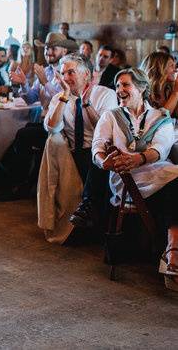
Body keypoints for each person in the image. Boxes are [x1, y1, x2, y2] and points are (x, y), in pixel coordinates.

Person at [91, 68, 178, 285]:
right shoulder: (110, 116)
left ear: (141, 87)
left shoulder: (160, 117)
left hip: (157, 174)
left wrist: (138, 158)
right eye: (117, 85)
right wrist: (104, 161)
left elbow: (161, 149)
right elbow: (97, 146)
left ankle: (172, 250)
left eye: (125, 85)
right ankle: (172, 251)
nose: (119, 89)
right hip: (127, 180)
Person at [41, 54, 117, 238]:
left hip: (98, 149)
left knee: (98, 155)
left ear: (87, 75)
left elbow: (107, 130)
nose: (66, 78)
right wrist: (65, 97)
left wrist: (86, 104)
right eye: (62, 73)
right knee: (53, 141)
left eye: (71, 72)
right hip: (70, 154)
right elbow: (52, 127)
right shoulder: (59, 98)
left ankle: (87, 207)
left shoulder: (105, 94)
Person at [0, 32, 75, 201]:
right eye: (47, 49)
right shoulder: (45, 70)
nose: (49, 53)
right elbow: (30, 98)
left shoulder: (68, 72)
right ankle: (21, 182)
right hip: (45, 123)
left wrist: (45, 82)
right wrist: (22, 83)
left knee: (23, 135)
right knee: (22, 132)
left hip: (63, 127)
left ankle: (21, 185)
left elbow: (67, 99)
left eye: (53, 49)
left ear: (64, 51)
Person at [140, 51, 178, 117]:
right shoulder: (142, 93)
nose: (176, 70)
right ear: (158, 68)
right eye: (171, 66)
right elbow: (158, 121)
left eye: (175, 66)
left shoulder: (169, 89)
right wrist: (175, 93)